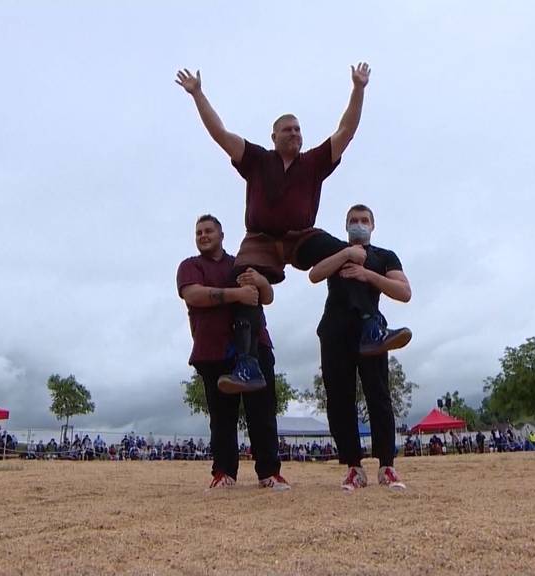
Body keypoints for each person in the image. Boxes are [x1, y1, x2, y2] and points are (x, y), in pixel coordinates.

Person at [176, 64, 410, 393]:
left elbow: (346, 131)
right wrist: (198, 94)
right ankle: (247, 363)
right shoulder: (258, 159)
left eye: (298, 129)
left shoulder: (313, 163)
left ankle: (371, 326)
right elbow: (221, 135)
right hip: (260, 239)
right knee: (244, 280)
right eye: (287, 130)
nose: (294, 134)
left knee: (352, 254)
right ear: (274, 137)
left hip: (301, 237)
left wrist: (358, 89)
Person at [177, 214, 289, 490]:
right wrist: (235, 295)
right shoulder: (190, 266)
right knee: (221, 416)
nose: (203, 235)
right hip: (213, 348)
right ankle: (224, 472)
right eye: (199, 232)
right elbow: (193, 295)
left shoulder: (240, 263)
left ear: (221, 235)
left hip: (255, 343)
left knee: (262, 411)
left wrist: (261, 281)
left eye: (209, 231)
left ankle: (269, 472)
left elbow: (267, 297)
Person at [306, 204, 411, 491]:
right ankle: (354, 467)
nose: (358, 224)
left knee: (379, 395)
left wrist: (368, 275)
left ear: (373, 225)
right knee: (340, 398)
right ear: (346, 225)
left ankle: (387, 466)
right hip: (335, 331)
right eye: (353, 220)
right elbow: (314, 275)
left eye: (364, 220)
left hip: (371, 337)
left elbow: (404, 292)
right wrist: (346, 255)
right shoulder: (337, 251)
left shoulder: (385, 256)